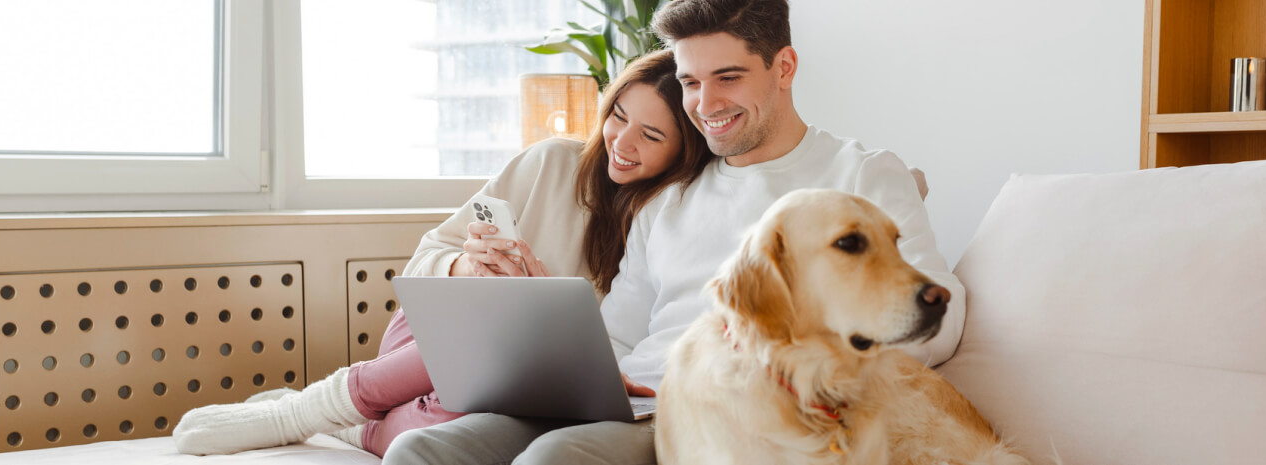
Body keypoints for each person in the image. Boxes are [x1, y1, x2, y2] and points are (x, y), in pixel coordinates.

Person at [382, 0, 967, 463]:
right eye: (690, 81)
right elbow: (620, 333)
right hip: (633, 400)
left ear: (783, 68)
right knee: (422, 451)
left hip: (728, 413)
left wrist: (791, 350)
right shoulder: (672, 195)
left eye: (728, 77)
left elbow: (936, 320)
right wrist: (585, 368)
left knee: (556, 460)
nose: (705, 103)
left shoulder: (862, 174)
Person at [169, 49, 712, 458]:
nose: (621, 142)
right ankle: (300, 411)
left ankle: (352, 425)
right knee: (486, 324)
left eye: (650, 135)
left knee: (451, 431)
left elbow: (606, 355)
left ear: (683, 149)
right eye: (618, 115)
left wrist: (540, 305)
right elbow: (426, 258)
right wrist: (465, 267)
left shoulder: (667, 217)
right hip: (427, 339)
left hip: (508, 383)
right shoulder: (549, 163)